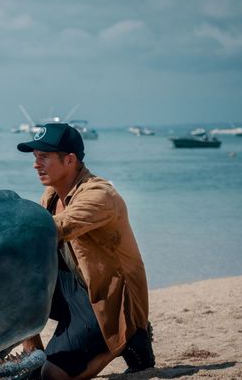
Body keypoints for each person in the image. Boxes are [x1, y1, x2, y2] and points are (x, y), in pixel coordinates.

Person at [17, 123, 154, 380]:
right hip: (73, 288)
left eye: (44, 157)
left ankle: (129, 335)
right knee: (14, 285)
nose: (36, 164)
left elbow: (52, 229)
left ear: (70, 160)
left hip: (106, 299)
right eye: (35, 157)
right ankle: (32, 361)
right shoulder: (51, 195)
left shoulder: (100, 195)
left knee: (53, 377)